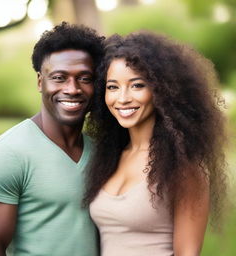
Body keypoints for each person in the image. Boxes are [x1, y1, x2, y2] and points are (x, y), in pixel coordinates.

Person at [83, 31, 227, 256]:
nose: (122, 98)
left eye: (137, 85)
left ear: (161, 91)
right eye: (113, 87)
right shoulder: (109, 158)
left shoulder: (184, 167)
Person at [0, 22, 104, 255]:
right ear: (40, 82)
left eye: (85, 78)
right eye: (59, 77)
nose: (72, 88)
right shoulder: (7, 155)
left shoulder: (100, 151)